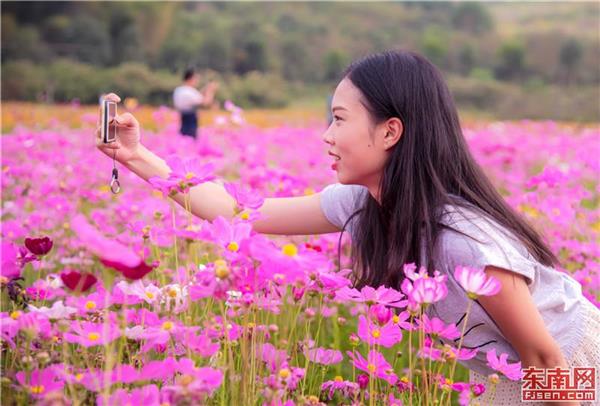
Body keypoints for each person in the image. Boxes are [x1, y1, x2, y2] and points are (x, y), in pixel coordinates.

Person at [96, 50, 599, 405]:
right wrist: (139, 158)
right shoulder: (360, 202)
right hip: (514, 374)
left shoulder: (465, 243)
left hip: (575, 372)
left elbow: (543, 355)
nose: (326, 135)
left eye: (338, 119)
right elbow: (236, 210)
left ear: (390, 131)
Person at [172, 68, 219, 139]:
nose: (197, 81)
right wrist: (210, 90)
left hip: (183, 117)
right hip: (190, 120)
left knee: (183, 139)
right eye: (196, 78)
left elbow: (197, 95)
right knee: (190, 139)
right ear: (191, 78)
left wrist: (206, 88)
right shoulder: (190, 92)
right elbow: (206, 102)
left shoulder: (179, 90)